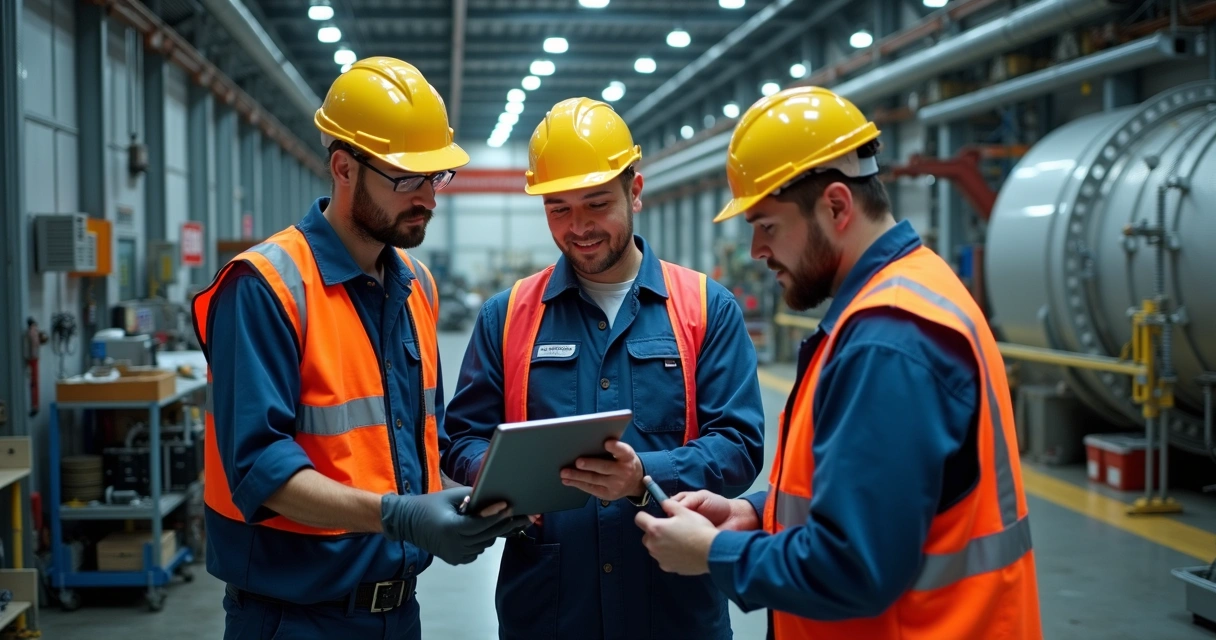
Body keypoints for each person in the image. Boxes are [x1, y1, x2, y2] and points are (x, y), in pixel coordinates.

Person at [635, 86, 1043, 640]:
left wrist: (716, 553)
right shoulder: (915, 287)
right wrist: (758, 513)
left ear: (836, 207)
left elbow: (855, 566)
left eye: (768, 225)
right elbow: (887, 505)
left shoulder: (888, 340)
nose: (756, 249)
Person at [191, 57, 527, 639]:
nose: (427, 198)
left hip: (399, 613)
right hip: (292, 619)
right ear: (344, 168)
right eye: (406, 179)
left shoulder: (416, 285)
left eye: (436, 177)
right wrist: (399, 517)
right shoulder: (266, 286)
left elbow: (418, 438)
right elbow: (259, 469)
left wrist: (475, 494)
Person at [442, 97, 766, 639]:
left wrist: (646, 476)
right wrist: (502, 480)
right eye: (559, 208)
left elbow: (738, 444)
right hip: (548, 613)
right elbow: (461, 438)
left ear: (634, 191)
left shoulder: (706, 308)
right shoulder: (507, 316)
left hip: (672, 610)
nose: (579, 227)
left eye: (596, 204)